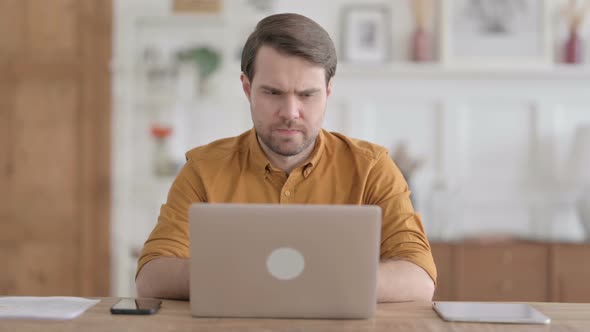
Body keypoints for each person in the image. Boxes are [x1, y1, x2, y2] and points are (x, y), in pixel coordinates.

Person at [136, 13, 436, 302]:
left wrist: (295, 281)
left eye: (307, 95)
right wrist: (275, 279)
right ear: (247, 88)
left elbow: (419, 278)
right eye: (273, 93)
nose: (290, 113)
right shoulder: (203, 169)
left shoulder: (372, 168)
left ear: (328, 92)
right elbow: (151, 277)